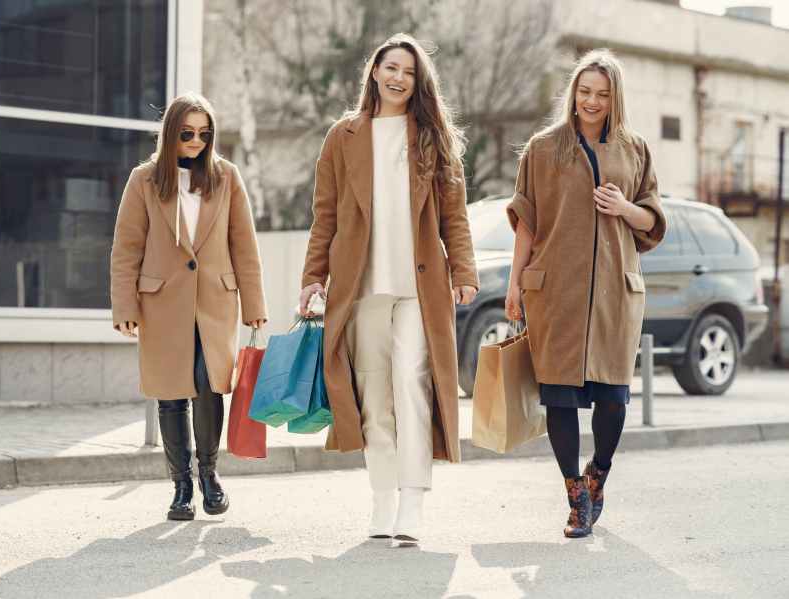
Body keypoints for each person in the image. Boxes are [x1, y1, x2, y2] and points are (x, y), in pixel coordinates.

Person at [299, 33, 479, 547]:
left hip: (419, 288)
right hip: (361, 286)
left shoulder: (432, 136)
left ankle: (413, 499)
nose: (399, 78)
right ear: (375, 71)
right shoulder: (343, 137)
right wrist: (313, 276)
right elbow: (325, 215)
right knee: (373, 395)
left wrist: (464, 271)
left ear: (419, 83)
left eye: (409, 72)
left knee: (412, 386)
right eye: (391, 67)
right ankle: (382, 495)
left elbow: (454, 214)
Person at [505, 49, 666, 538]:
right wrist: (514, 284)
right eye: (585, 91)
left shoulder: (634, 149)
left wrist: (624, 208)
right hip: (555, 291)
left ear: (615, 98)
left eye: (603, 94)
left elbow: (653, 219)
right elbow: (527, 223)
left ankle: (599, 472)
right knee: (559, 397)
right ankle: (576, 495)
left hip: (615, 294)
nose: (592, 102)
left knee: (613, 399)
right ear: (573, 93)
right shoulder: (542, 148)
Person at [111, 92, 267, 520]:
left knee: (209, 383)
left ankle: (209, 475)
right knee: (171, 392)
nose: (196, 141)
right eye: (187, 133)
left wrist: (254, 302)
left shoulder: (226, 176)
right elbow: (126, 249)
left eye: (204, 133)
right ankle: (181, 486)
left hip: (216, 303)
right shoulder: (144, 180)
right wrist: (124, 306)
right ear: (170, 134)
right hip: (161, 304)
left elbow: (244, 244)